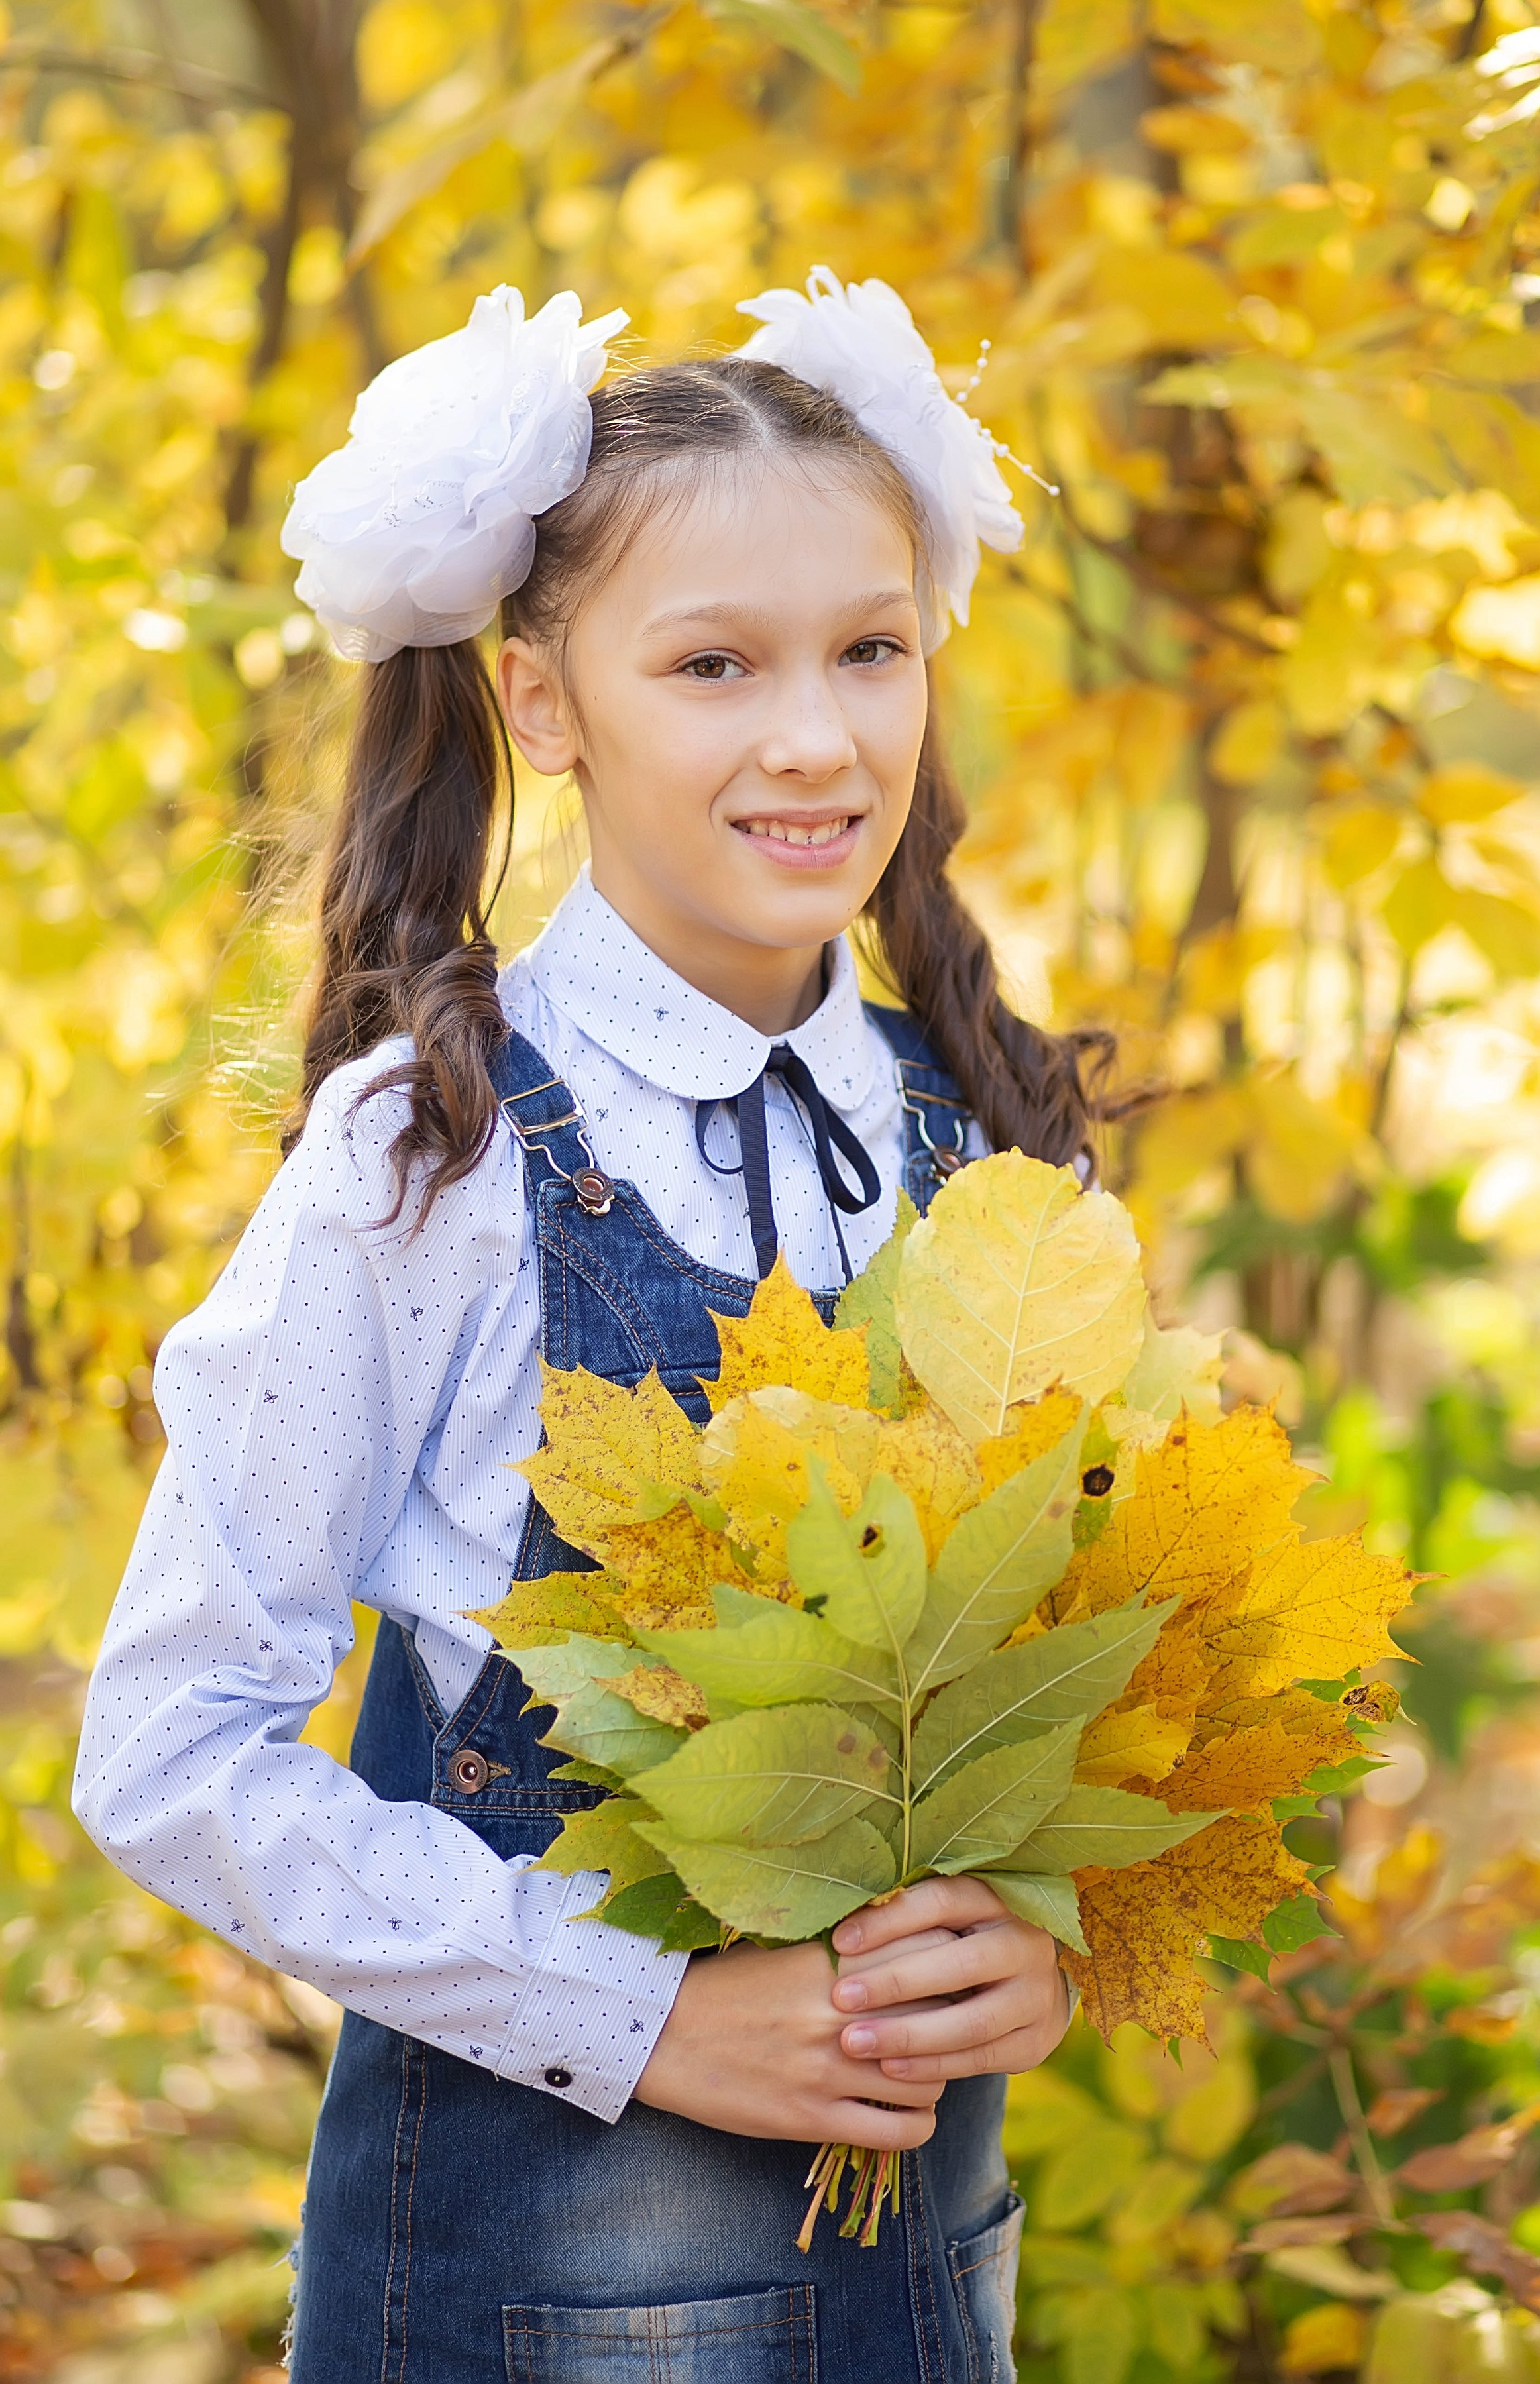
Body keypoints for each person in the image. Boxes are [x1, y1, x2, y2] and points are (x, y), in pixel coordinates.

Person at [74, 269, 1110, 2383]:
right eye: (713, 664)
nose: (816, 736)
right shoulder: (431, 1159)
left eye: (870, 650)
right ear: (546, 700)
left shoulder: (978, 1136)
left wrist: (1046, 1950)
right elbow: (168, 1749)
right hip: (537, 2311)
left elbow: (1061, 1697)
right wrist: (639, 2012)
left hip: (923, 2290)